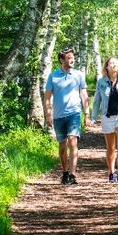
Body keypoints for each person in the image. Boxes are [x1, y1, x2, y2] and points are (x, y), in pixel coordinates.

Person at [44, 48, 88, 184]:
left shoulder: (79, 75)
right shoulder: (53, 76)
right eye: (69, 58)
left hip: (74, 113)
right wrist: (48, 115)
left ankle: (73, 174)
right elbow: (47, 97)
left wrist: (86, 114)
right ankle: (65, 172)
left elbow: (84, 95)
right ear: (61, 60)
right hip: (58, 116)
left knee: (73, 141)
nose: (72, 60)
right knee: (62, 145)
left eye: (73, 57)